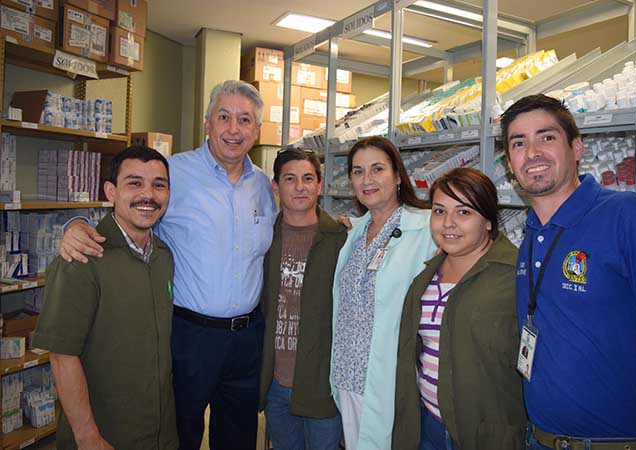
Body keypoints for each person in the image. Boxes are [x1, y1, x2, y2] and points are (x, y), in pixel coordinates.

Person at [58, 81, 276, 450]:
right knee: (179, 435)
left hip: (246, 339)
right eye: (224, 117)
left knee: (239, 439)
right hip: (189, 336)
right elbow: (128, 210)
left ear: (256, 131)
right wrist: (74, 225)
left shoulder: (264, 187)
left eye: (244, 120)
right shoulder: (174, 173)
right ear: (207, 123)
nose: (233, 129)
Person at [501, 93, 636, 450]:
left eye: (547, 137)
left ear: (577, 147)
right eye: (519, 143)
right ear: (509, 164)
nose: (532, 153)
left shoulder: (628, 217)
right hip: (541, 439)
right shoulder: (531, 234)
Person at [32, 146, 176, 450]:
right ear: (111, 192)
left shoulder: (163, 256)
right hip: (104, 435)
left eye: (158, 185)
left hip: (158, 433)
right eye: (134, 183)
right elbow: (62, 355)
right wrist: (88, 437)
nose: (148, 194)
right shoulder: (82, 260)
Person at [393, 168, 526, 450]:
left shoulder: (515, 276)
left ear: (488, 221)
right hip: (427, 425)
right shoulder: (427, 276)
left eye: (463, 212)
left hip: (484, 435)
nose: (448, 223)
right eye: (439, 211)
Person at [330, 136, 436, 450]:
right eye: (358, 172)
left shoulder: (427, 228)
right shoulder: (355, 231)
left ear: (398, 175)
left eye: (377, 169)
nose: (367, 180)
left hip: (389, 380)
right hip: (347, 374)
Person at [258, 147, 346, 450]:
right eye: (290, 179)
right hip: (275, 383)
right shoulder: (262, 238)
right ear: (275, 186)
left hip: (322, 385)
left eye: (308, 178)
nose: (300, 187)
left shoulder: (340, 239)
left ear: (320, 185)